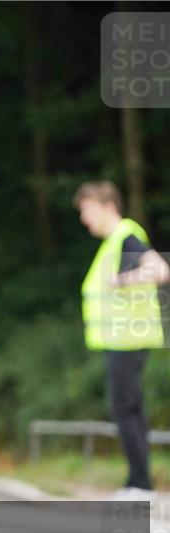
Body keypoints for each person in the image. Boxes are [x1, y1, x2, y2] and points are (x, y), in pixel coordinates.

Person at [75, 181, 170, 498]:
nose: (84, 219)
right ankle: (138, 482)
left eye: (87, 210)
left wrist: (121, 281)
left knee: (125, 410)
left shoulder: (126, 235)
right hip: (125, 339)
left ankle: (140, 485)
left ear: (108, 206)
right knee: (131, 411)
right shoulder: (116, 241)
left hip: (127, 339)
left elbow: (159, 269)